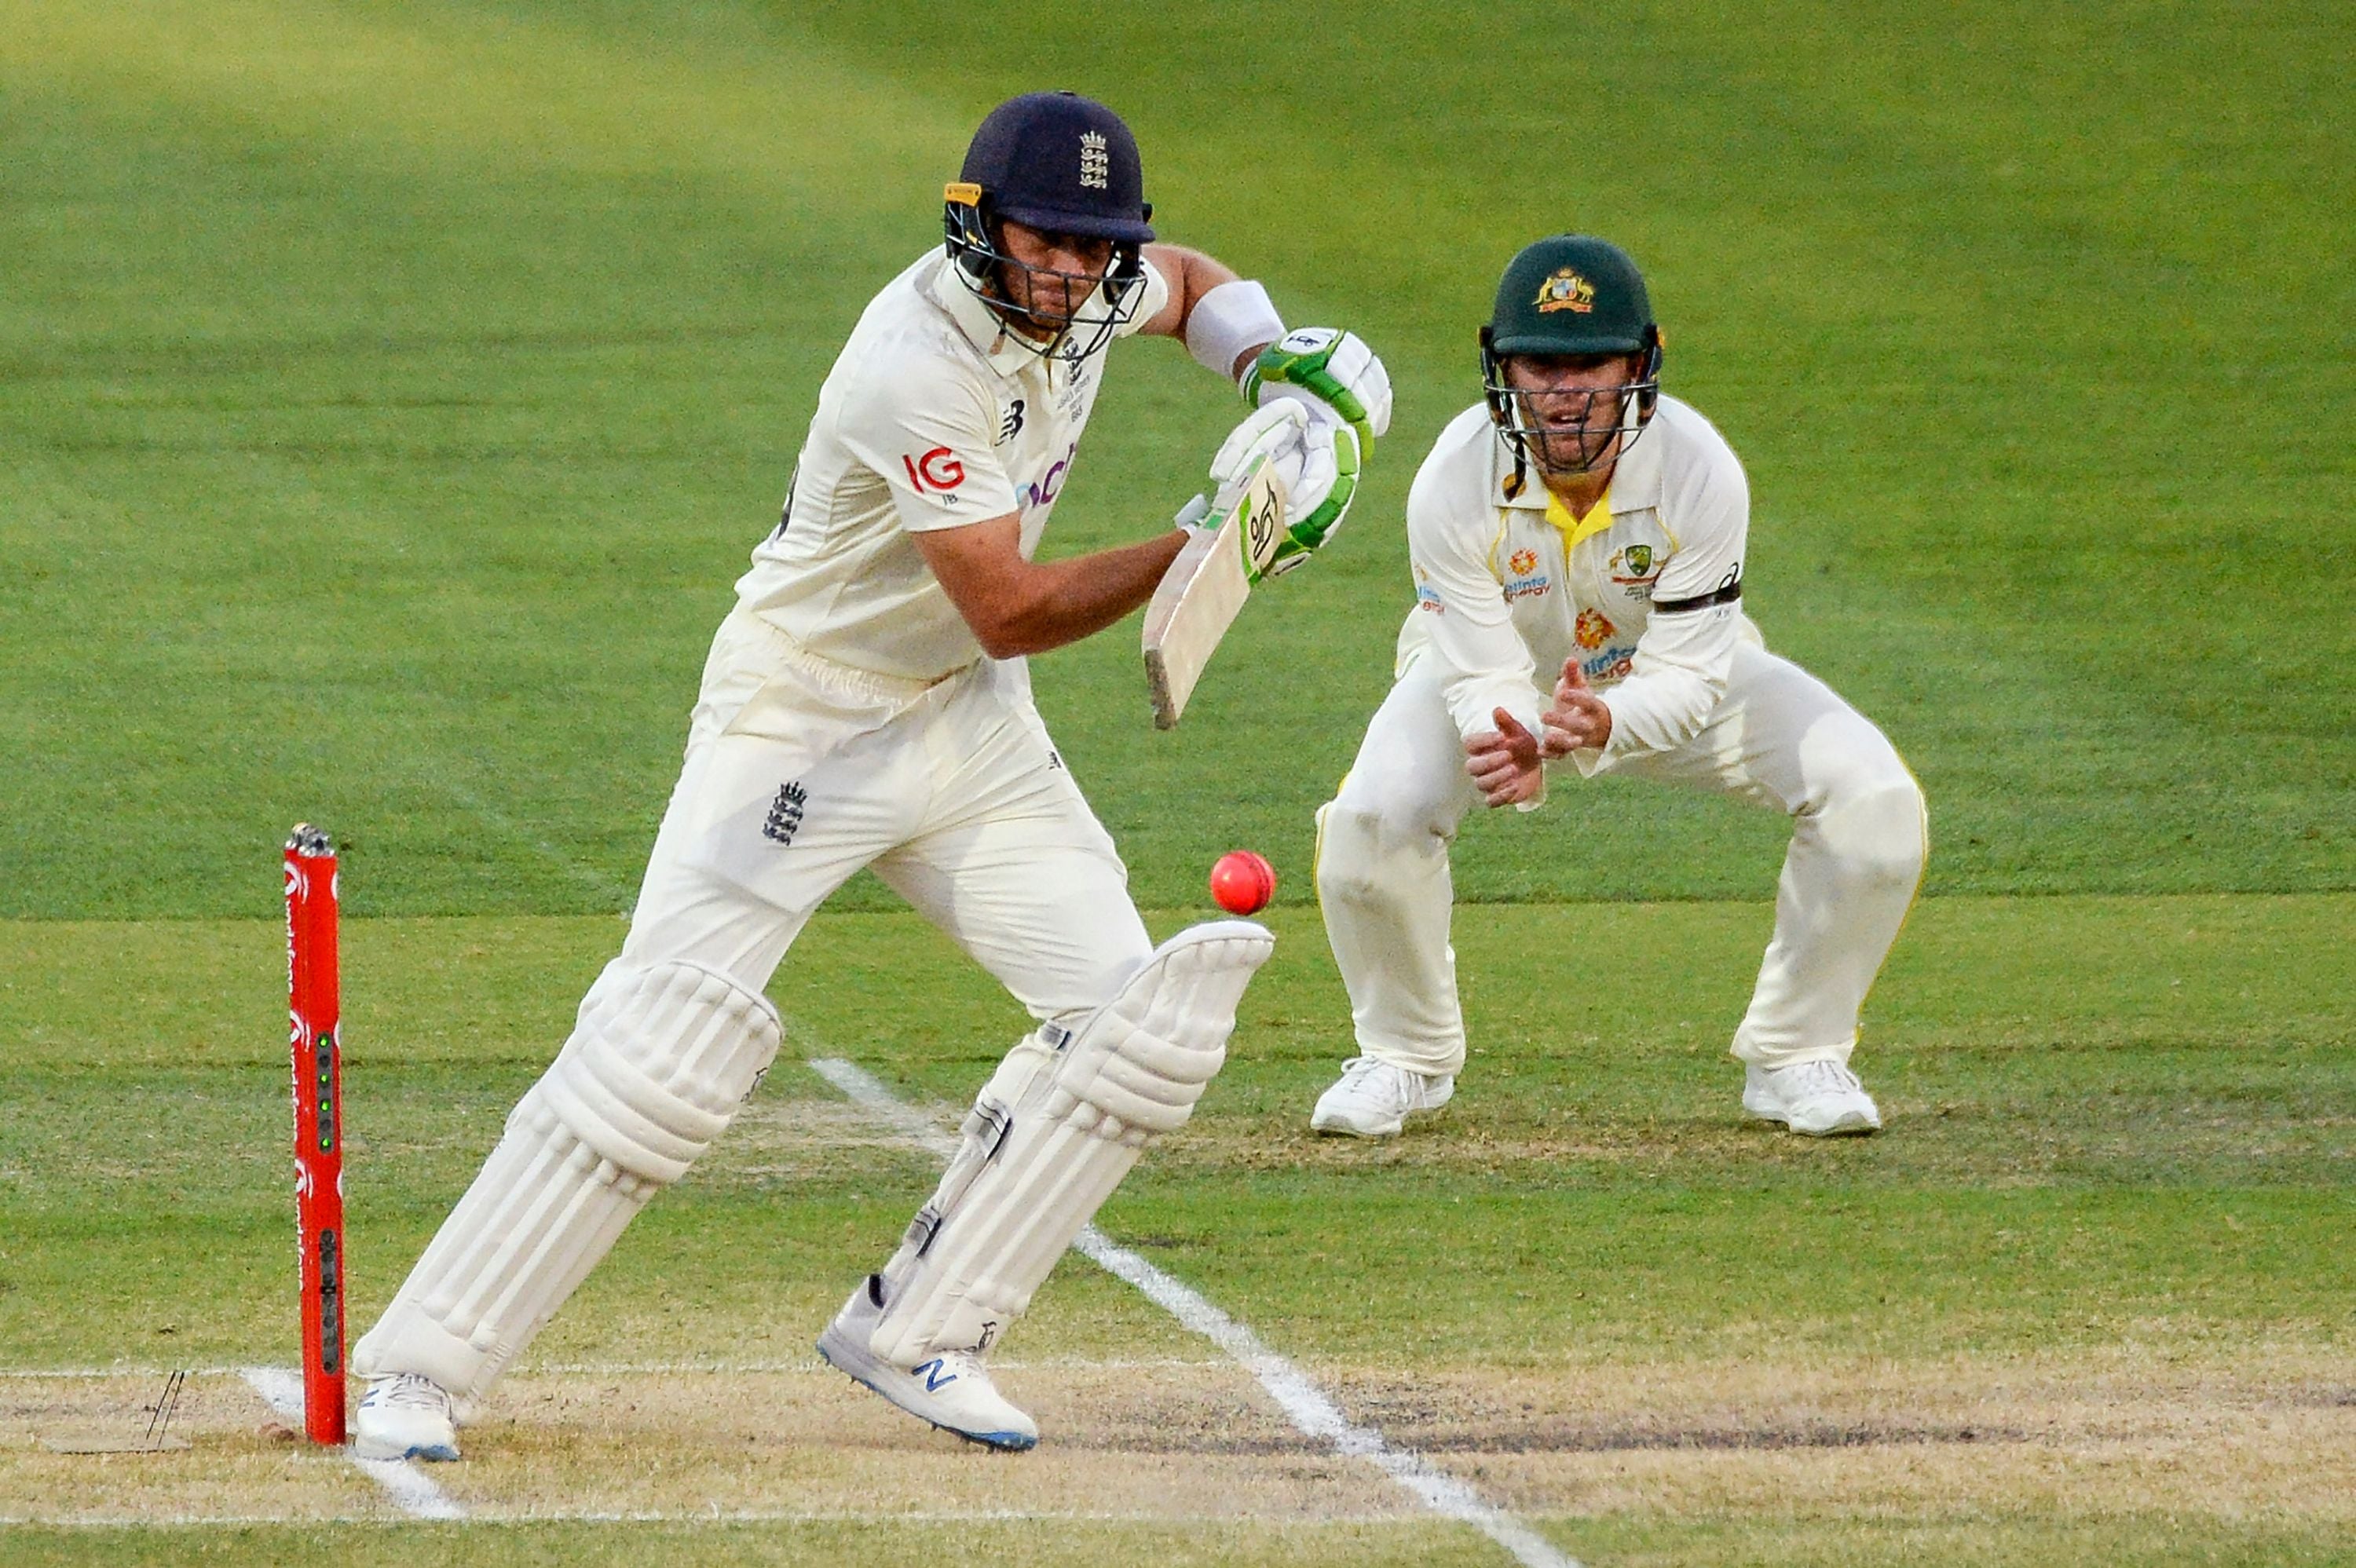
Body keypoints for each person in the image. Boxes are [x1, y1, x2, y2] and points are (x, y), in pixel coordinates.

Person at [349, 91, 1392, 1459]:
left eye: (1093, 250)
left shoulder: (1092, 282)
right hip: (801, 719)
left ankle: (923, 1331)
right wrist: (1220, 528)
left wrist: (1266, 369)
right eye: (1045, 244)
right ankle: (414, 1372)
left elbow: (1185, 278)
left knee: (1130, 1025)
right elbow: (1008, 605)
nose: (1072, 277)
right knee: (655, 1049)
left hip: (963, 724)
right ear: (976, 227)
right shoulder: (913, 361)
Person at [1308, 234, 1924, 1142]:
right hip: (1491, 684)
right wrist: (1518, 732)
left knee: (1874, 801)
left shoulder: (1700, 469)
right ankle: (1405, 1057)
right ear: (1502, 366)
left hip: (1661, 680)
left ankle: (1797, 1054)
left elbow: (1690, 669)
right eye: (1540, 364)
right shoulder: (1451, 479)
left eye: (1590, 362)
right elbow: (1478, 668)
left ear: (1640, 363)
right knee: (1369, 822)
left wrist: (1603, 721)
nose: (1565, 389)